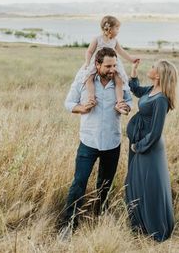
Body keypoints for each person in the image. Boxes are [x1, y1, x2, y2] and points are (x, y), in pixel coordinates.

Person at [62, 47, 132, 230]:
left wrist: (124, 108)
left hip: (112, 142)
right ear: (97, 64)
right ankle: (68, 224)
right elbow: (68, 103)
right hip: (88, 141)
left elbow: (129, 102)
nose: (112, 70)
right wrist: (82, 108)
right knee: (79, 182)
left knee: (105, 184)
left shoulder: (120, 82)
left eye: (115, 65)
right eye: (108, 66)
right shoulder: (83, 81)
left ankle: (101, 218)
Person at [125, 59, 179, 242]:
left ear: (159, 74)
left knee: (151, 186)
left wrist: (138, 146)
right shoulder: (151, 90)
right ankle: (140, 225)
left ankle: (156, 228)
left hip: (149, 147)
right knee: (137, 182)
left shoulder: (162, 99)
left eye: (153, 67)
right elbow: (136, 90)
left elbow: (156, 132)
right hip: (140, 143)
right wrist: (133, 70)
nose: (150, 68)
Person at [75, 15, 139, 114]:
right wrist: (87, 62)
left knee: (119, 80)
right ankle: (91, 98)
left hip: (112, 63)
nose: (118, 31)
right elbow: (89, 51)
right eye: (117, 28)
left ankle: (120, 100)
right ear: (110, 29)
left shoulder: (114, 41)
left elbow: (122, 52)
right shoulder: (97, 39)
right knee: (89, 78)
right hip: (98, 62)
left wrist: (131, 59)